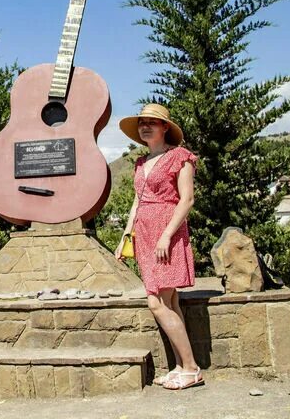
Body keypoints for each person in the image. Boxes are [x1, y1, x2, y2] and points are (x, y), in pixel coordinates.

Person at [114, 104, 204, 391]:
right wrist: (126, 237)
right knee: (171, 301)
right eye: (142, 122)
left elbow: (187, 200)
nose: (145, 126)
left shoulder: (180, 156)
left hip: (168, 231)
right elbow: (137, 202)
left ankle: (191, 368)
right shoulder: (141, 163)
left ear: (165, 127)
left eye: (153, 122)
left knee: (158, 302)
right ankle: (180, 366)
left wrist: (166, 235)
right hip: (144, 234)